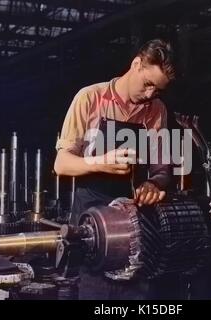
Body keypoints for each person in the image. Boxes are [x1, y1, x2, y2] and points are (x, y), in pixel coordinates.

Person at [54, 39, 176, 220]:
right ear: (136, 64)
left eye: (157, 90)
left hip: (134, 219)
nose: (149, 94)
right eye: (148, 84)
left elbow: (162, 169)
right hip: (90, 218)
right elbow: (61, 164)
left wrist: (153, 183)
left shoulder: (157, 110)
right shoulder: (90, 98)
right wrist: (101, 162)